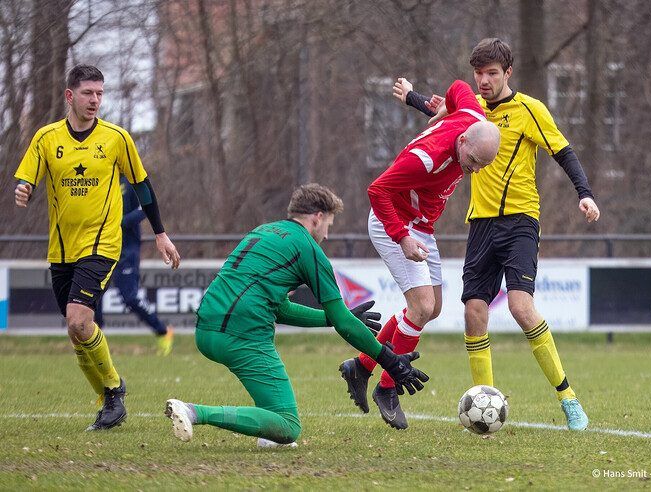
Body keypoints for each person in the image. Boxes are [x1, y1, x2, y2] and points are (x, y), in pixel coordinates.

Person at [395, 38, 601, 431]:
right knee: (474, 312)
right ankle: (484, 404)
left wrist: (585, 194)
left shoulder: (529, 110)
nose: (484, 80)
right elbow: (440, 109)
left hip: (521, 221)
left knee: (521, 308)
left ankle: (568, 398)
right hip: (481, 224)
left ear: (508, 73)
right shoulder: (471, 106)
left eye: (492, 73)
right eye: (479, 73)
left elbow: (563, 151)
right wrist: (411, 97)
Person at [164, 184, 428, 447]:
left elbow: (281, 308)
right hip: (242, 334)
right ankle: (195, 411)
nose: (327, 235)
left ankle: (267, 432)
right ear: (318, 217)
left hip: (207, 329)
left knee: (275, 424)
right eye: (329, 226)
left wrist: (330, 318)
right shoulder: (308, 249)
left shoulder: (264, 231)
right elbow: (344, 324)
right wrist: (389, 361)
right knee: (289, 426)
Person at [13, 64, 180, 431]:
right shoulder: (46, 138)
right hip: (61, 249)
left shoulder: (117, 138)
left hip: (102, 243)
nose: (95, 100)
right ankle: (109, 396)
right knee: (77, 330)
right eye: (88, 93)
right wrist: (23, 189)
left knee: (78, 319)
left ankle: (114, 394)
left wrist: (160, 234)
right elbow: (27, 177)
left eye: (100, 94)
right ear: (70, 96)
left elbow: (143, 185)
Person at [339, 80, 501, 430]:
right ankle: (388, 387)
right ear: (462, 142)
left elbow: (459, 87)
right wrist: (402, 238)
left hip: (421, 226)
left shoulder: (472, 113)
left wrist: (429, 105)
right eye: (472, 161)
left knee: (435, 307)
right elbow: (376, 190)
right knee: (422, 307)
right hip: (392, 222)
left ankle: (363, 365)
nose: (473, 170)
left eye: (480, 166)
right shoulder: (424, 161)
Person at [94, 176, 174, 356]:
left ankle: (162, 331)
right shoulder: (101, 176)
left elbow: (143, 209)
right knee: (93, 295)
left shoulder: (130, 179)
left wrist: (120, 222)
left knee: (130, 297)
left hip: (126, 250)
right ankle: (94, 341)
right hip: (102, 247)